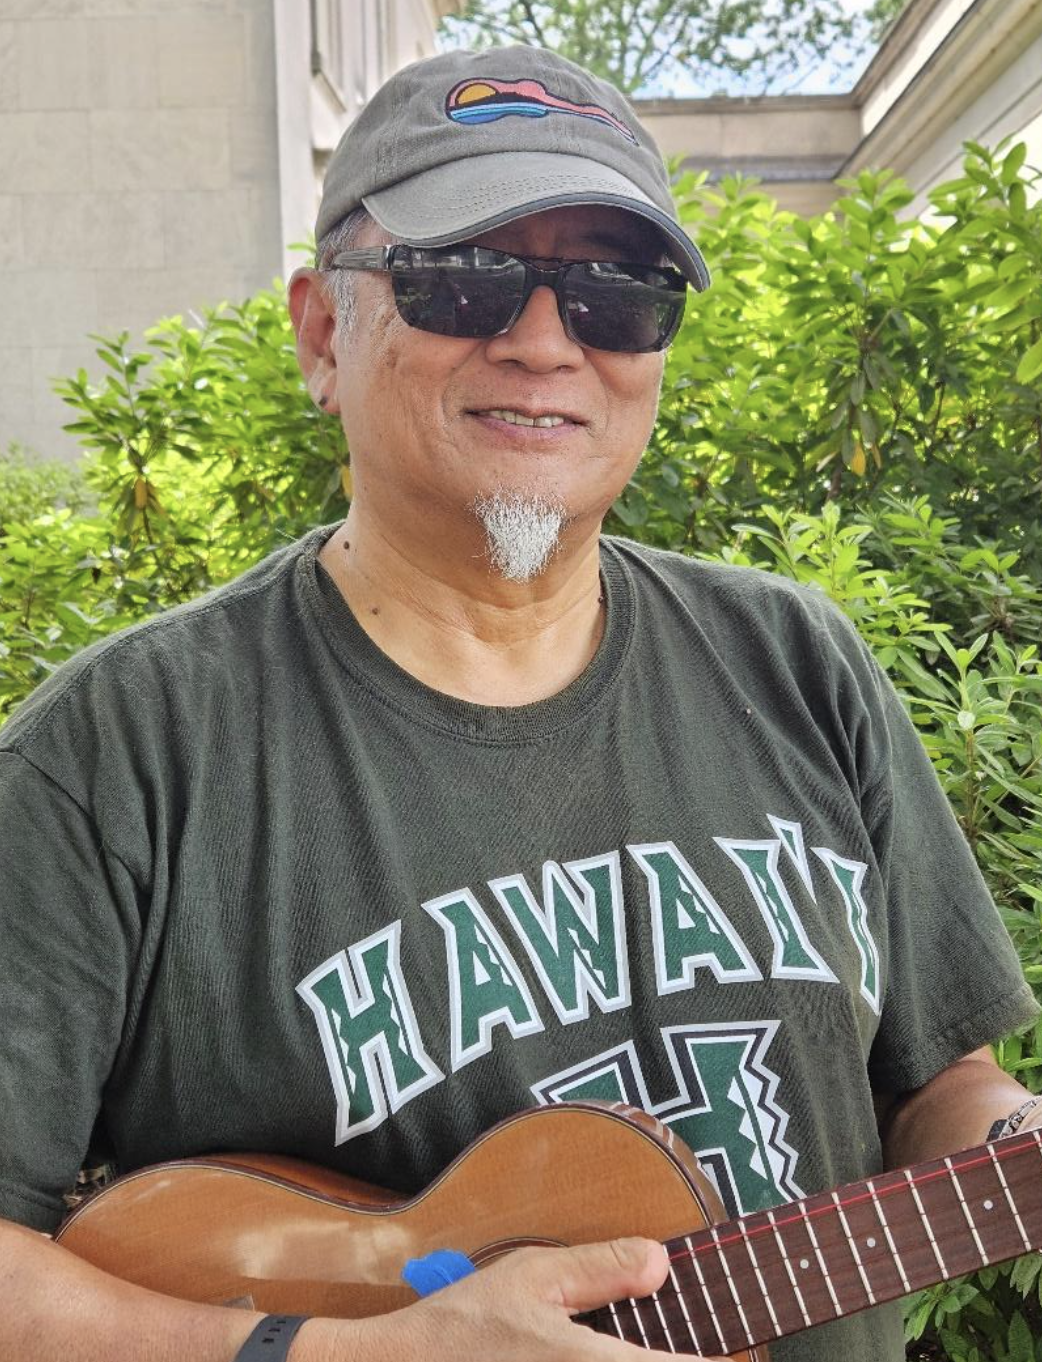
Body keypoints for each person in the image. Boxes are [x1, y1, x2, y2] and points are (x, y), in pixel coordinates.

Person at [0, 42, 1037, 1362]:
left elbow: (940, 1083)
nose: (546, 342)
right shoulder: (118, 754)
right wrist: (354, 1354)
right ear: (323, 333)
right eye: (461, 276)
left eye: (617, 294)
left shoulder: (798, 662)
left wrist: (1015, 1146)